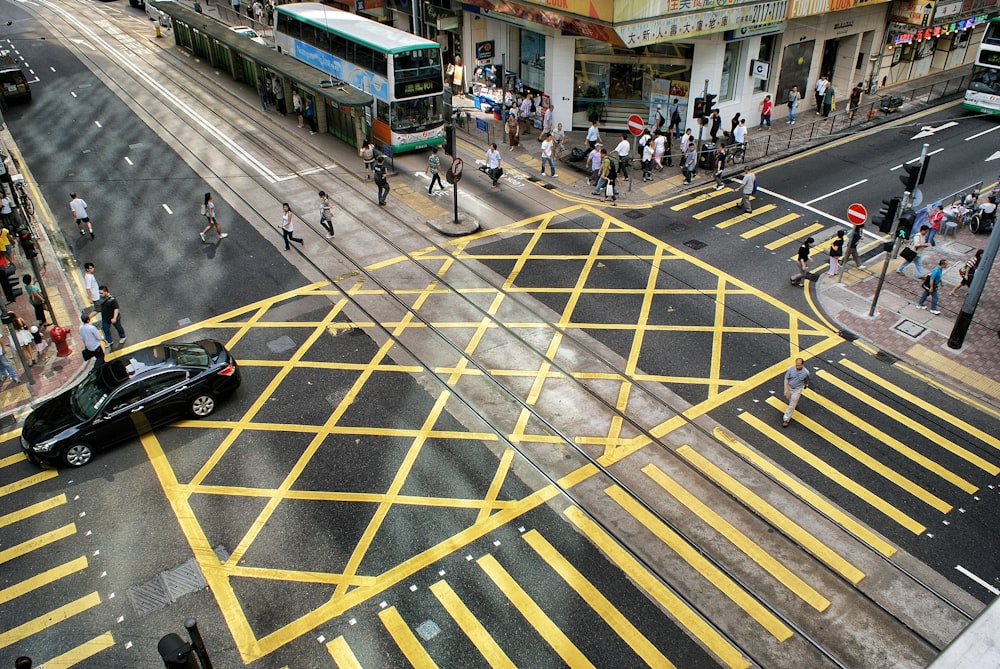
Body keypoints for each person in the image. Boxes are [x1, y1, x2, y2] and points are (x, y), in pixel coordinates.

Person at [782, 357, 810, 427]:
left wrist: (806, 384)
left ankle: (786, 419)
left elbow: (806, 379)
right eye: (796, 364)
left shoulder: (806, 372)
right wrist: (786, 389)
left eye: (799, 365)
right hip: (789, 387)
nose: (797, 366)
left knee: (791, 405)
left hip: (797, 389)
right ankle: (793, 402)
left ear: (802, 365)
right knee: (788, 398)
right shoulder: (791, 369)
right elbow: (786, 379)